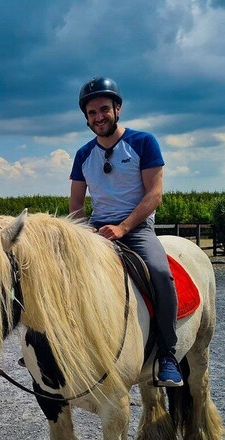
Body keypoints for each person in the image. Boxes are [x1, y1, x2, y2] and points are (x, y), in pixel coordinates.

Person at [68, 76, 183, 387]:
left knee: (159, 272)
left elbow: (154, 194)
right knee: (58, 273)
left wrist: (123, 227)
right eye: (91, 113)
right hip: (95, 230)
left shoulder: (143, 143)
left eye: (104, 109)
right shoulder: (83, 155)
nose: (98, 117)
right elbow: (76, 202)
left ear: (117, 109)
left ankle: (167, 353)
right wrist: (82, 232)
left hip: (135, 227)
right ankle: (59, 344)